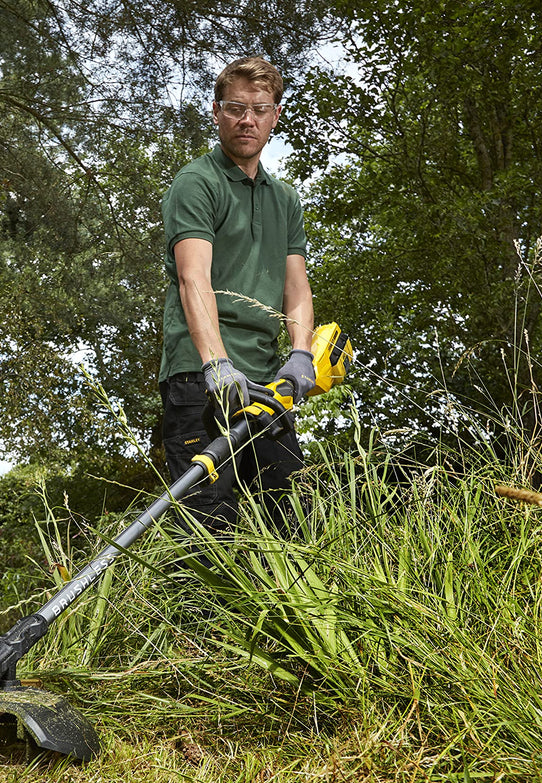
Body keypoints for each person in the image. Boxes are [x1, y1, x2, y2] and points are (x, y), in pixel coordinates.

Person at [158, 56, 316, 533]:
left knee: (296, 519)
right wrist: (215, 363)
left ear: (275, 116)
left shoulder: (285, 198)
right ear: (216, 112)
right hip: (198, 379)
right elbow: (193, 279)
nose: (248, 119)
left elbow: (297, 287)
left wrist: (301, 352)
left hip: (267, 386)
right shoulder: (196, 183)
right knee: (207, 529)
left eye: (260, 109)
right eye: (235, 107)